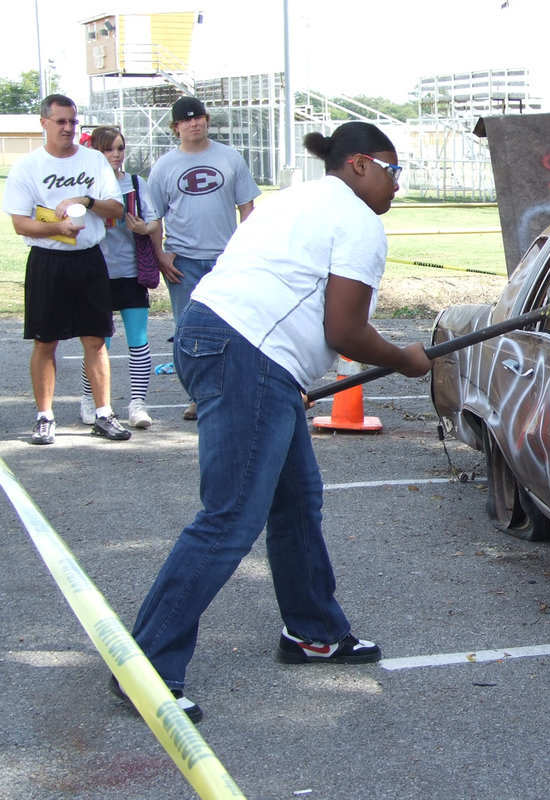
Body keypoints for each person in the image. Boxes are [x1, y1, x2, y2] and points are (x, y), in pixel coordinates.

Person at [113, 121, 429, 722]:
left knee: (295, 499)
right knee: (229, 518)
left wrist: (284, 384)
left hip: (224, 341)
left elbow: (280, 292)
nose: (397, 186)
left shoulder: (298, 199)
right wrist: (405, 360)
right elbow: (346, 332)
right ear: (359, 164)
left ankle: (313, 631)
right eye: (393, 170)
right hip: (247, 352)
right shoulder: (358, 220)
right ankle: (145, 671)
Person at [1, 94, 132, 444]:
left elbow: (117, 210)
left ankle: (104, 414)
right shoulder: (28, 167)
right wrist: (56, 229)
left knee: (96, 339)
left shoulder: (93, 161)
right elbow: (20, 224)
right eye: (60, 121)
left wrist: (85, 201)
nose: (67, 128)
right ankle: (45, 417)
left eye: (73, 121)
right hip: (48, 262)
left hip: (89, 259)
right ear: (43, 123)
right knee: (45, 341)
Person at [147, 96, 260, 420]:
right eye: (186, 119)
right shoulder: (165, 166)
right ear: (176, 127)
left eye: (199, 117)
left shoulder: (229, 158)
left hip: (226, 260)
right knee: (187, 331)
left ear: (207, 120)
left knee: (233, 327)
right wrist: (160, 255)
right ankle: (197, 396)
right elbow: (154, 217)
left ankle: (233, 391)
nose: (194, 123)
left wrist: (246, 251)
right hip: (183, 260)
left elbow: (247, 208)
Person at [78, 125, 160, 429]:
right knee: (99, 343)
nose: (116, 154)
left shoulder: (137, 183)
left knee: (139, 340)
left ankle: (138, 403)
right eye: (108, 149)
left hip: (130, 272)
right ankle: (92, 400)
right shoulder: (86, 185)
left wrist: (143, 228)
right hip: (95, 273)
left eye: (120, 148)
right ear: (95, 153)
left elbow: (153, 223)